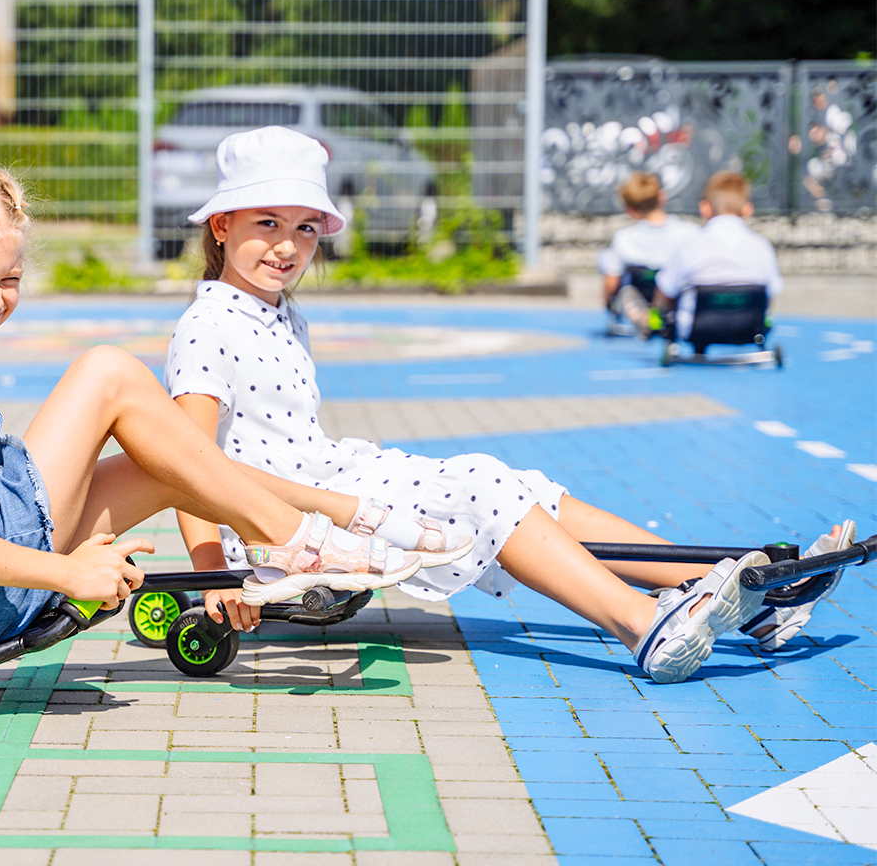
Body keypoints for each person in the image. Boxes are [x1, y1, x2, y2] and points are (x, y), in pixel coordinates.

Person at [165, 127, 846, 683]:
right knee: (486, 487)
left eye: (307, 228)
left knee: (525, 489)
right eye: (267, 223)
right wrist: (210, 575)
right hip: (280, 518)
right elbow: (186, 465)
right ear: (221, 226)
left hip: (328, 481)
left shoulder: (279, 314)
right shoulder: (210, 325)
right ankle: (644, 627)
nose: (288, 246)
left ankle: (741, 593)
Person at [0, 158, 441, 653]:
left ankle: (309, 532)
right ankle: (308, 540)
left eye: (9, 279)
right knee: (110, 373)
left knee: (173, 459)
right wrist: (67, 571)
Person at [653, 172, 783, 344]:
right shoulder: (762, 246)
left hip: (695, 329)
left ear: (705, 208)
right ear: (747, 209)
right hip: (750, 328)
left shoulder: (690, 244)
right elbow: (772, 290)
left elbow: (666, 290)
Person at [597, 171, 699, 336]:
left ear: (630, 209)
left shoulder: (624, 238)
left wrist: (608, 299)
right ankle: (656, 317)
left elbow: (611, 283)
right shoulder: (689, 232)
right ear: (662, 197)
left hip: (641, 292)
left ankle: (646, 318)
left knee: (606, 260)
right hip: (675, 299)